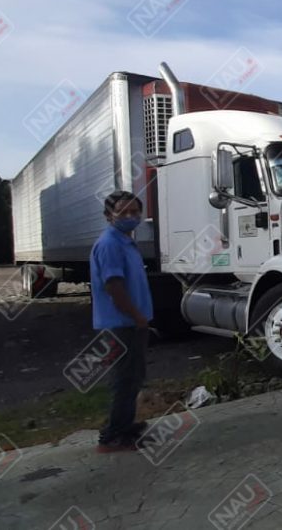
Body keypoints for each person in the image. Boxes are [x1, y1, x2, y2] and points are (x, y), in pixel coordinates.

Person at [91, 190, 153, 453]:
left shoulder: (126, 242)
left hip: (131, 322)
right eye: (123, 212)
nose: (130, 216)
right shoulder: (110, 244)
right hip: (121, 324)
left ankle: (125, 425)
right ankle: (113, 437)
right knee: (124, 378)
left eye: (134, 211)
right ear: (109, 215)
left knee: (134, 376)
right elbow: (114, 286)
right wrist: (137, 317)